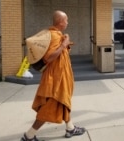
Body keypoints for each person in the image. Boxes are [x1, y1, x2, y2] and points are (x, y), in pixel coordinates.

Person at [21, 10, 86, 141]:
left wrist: (65, 44)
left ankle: (70, 128)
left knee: (64, 102)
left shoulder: (57, 34)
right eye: (66, 20)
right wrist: (63, 44)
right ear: (61, 22)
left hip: (61, 76)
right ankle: (29, 135)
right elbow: (48, 58)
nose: (67, 22)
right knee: (48, 108)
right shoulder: (54, 36)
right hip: (55, 79)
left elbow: (60, 55)